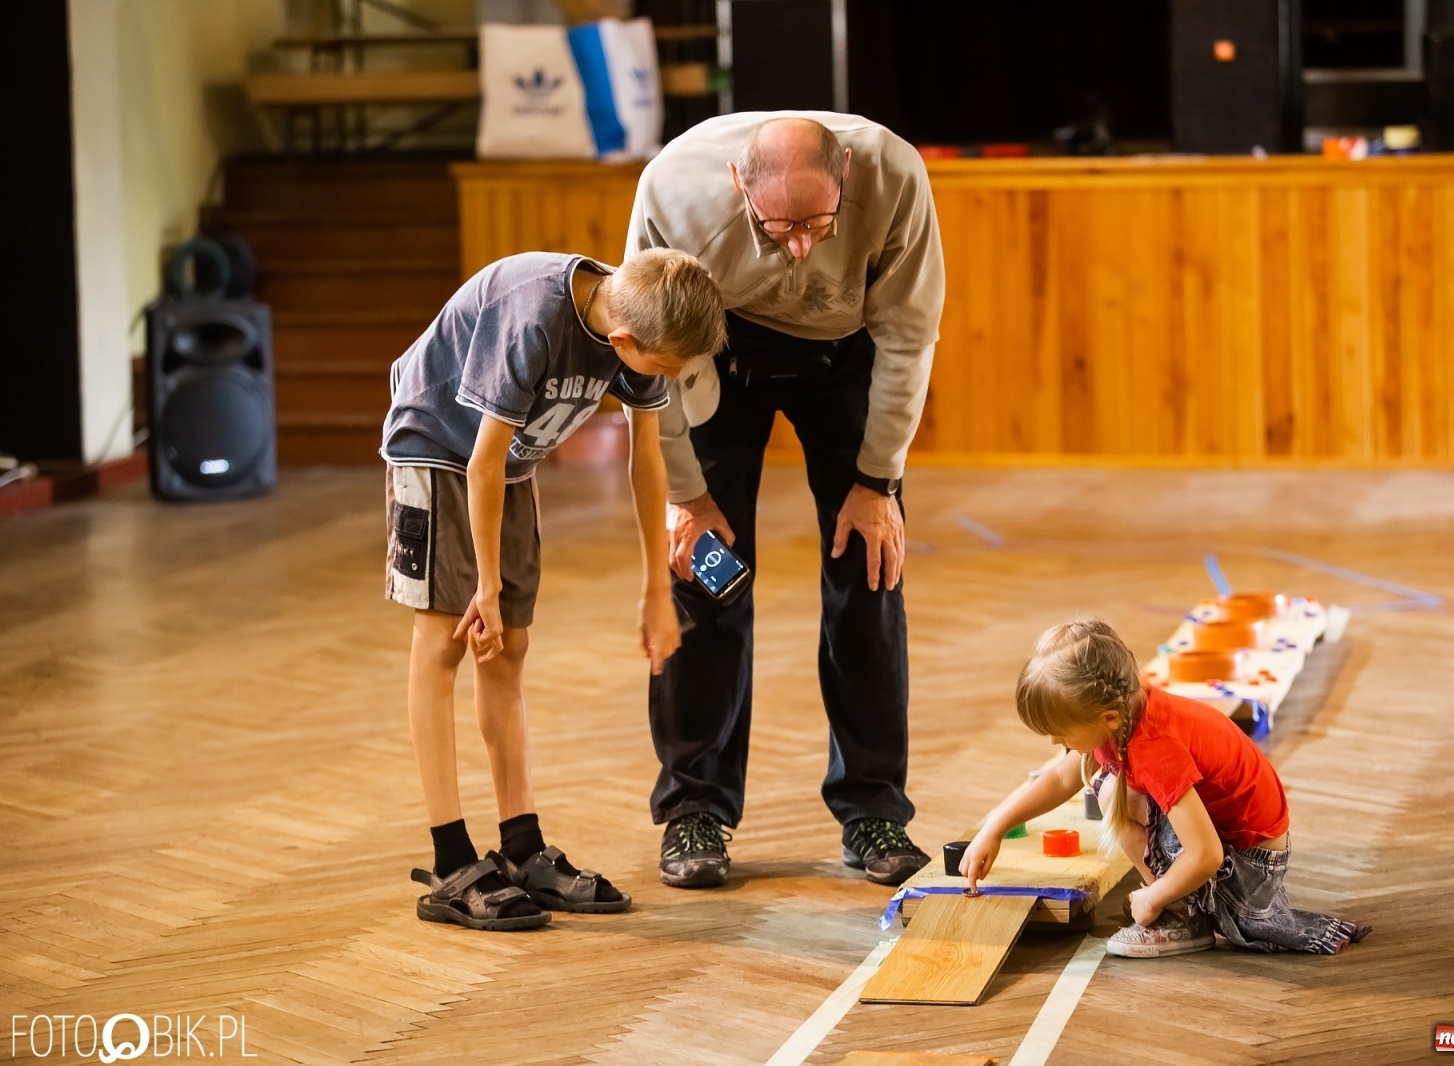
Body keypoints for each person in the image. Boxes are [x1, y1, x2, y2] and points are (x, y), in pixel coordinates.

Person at [626, 112, 945, 889]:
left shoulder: (896, 176)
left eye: (819, 222)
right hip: (715, 349)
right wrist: (687, 497)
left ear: (846, 180)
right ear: (739, 186)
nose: (801, 244)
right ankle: (694, 809)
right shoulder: (673, 185)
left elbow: (909, 336)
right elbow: (649, 351)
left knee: (870, 569)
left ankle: (872, 806)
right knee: (705, 579)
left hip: (847, 354)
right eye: (780, 226)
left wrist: (877, 483)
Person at [381, 248, 726, 930]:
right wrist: (485, 584)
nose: (668, 381)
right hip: (439, 447)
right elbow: (478, 463)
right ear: (624, 342)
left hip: (505, 464)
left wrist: (657, 589)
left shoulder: (635, 317)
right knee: (445, 643)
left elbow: (647, 461)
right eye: (663, 369)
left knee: (508, 649)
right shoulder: (534, 316)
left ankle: (521, 848)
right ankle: (451, 861)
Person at [962, 620, 1370, 957]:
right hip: (1233, 840)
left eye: (1059, 732)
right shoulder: (1125, 713)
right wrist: (994, 827)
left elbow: (1207, 855)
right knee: (1110, 789)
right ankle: (1180, 903)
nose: (1054, 743)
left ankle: (1182, 918)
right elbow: (1061, 778)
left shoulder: (1154, 748)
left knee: (1113, 796)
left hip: (1249, 863)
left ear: (1106, 717)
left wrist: (1154, 897)